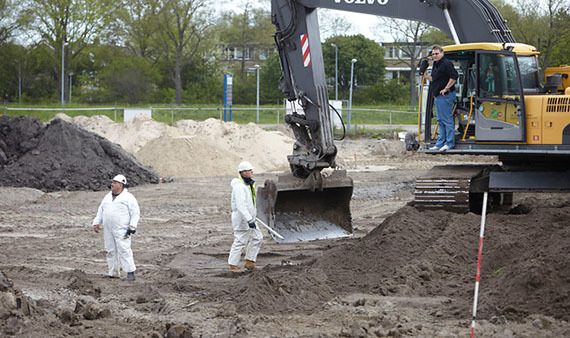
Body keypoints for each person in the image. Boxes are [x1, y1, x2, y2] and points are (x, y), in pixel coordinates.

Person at [92, 174, 140, 281]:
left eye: (115, 182)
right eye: (112, 182)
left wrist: (132, 226)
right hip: (108, 228)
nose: (112, 184)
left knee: (124, 249)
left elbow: (135, 213)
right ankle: (113, 272)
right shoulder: (107, 196)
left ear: (121, 185)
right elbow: (101, 210)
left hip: (122, 229)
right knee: (110, 250)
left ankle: (130, 273)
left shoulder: (128, 198)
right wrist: (96, 222)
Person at [228, 161, 263, 272]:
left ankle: (250, 262)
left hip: (250, 218)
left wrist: (252, 217)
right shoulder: (239, 187)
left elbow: (250, 203)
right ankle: (233, 265)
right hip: (242, 219)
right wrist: (248, 220)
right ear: (243, 172)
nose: (251, 172)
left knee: (258, 237)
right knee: (240, 240)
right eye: (249, 171)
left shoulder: (248, 185)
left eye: (251, 170)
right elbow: (241, 206)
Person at [423, 45, 459, 152]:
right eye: (433, 54)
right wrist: (425, 75)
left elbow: (454, 76)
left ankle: (449, 143)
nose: (434, 56)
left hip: (445, 96)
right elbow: (434, 79)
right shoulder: (436, 64)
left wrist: (446, 88)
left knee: (447, 120)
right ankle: (440, 144)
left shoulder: (446, 63)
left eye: (437, 53)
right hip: (438, 96)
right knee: (441, 120)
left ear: (442, 53)